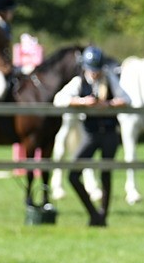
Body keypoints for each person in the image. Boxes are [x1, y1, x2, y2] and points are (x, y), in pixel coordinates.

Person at [53, 46, 130, 226]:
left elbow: (126, 99)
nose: (94, 74)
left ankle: (102, 216)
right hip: (91, 133)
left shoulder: (109, 78)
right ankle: (93, 212)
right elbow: (59, 99)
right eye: (91, 69)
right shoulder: (78, 82)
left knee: (106, 174)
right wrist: (82, 102)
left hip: (110, 133)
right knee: (73, 175)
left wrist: (109, 105)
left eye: (97, 69)